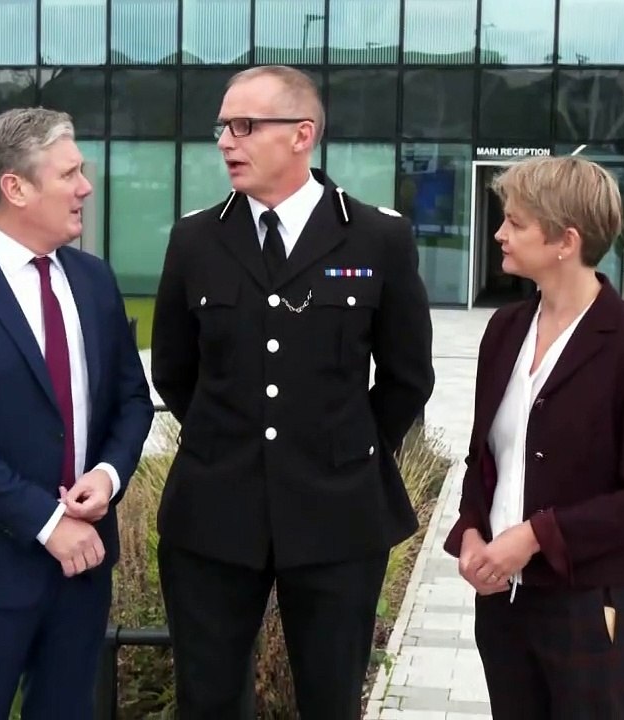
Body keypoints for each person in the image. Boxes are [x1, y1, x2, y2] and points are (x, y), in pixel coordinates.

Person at [150, 65, 435, 719]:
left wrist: (346, 447)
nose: (227, 141)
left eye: (245, 126)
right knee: (207, 701)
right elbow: (174, 371)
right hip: (214, 511)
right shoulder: (196, 239)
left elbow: (407, 376)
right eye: (223, 127)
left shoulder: (376, 237)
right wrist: (228, 442)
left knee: (331, 701)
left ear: (302, 134)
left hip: (338, 514)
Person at [0, 107, 154, 719]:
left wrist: (109, 476)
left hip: (84, 568)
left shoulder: (94, 281)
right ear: (15, 187)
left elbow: (131, 400)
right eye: (69, 174)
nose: (85, 188)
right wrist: (47, 522)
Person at [441, 155, 624, 718]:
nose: (499, 233)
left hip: (593, 609)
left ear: (565, 242)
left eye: (516, 222)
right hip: (503, 607)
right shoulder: (504, 329)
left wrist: (535, 536)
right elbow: (486, 458)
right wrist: (472, 530)